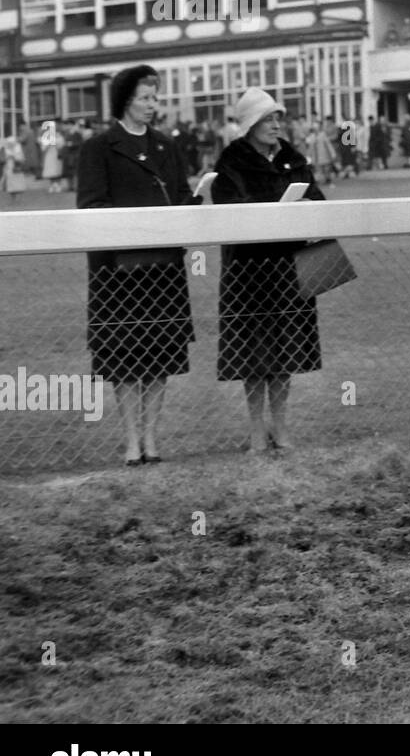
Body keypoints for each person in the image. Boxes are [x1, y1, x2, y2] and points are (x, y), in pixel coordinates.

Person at [77, 65, 198, 466]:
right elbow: (92, 206)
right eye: (146, 98)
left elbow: (179, 196)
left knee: (161, 354)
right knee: (126, 358)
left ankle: (151, 437)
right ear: (125, 100)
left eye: (155, 97)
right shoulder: (98, 147)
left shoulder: (167, 146)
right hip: (119, 272)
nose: (153, 105)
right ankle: (131, 440)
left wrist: (193, 203)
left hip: (163, 269)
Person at [213, 88, 326, 453]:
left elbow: (319, 199)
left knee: (285, 354)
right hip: (250, 272)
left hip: (290, 268)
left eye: (278, 117)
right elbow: (230, 208)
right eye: (268, 118)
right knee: (254, 357)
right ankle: (256, 429)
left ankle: (281, 425)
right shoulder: (231, 161)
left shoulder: (293, 158)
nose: (276, 124)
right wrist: (274, 209)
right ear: (250, 124)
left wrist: (305, 204)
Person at [39, 119, 65, 193]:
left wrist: (55, 142)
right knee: (50, 170)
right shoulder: (46, 135)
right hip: (49, 155)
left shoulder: (59, 135)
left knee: (57, 170)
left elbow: (61, 145)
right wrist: (48, 143)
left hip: (57, 154)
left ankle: (58, 185)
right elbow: (43, 147)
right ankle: (52, 185)